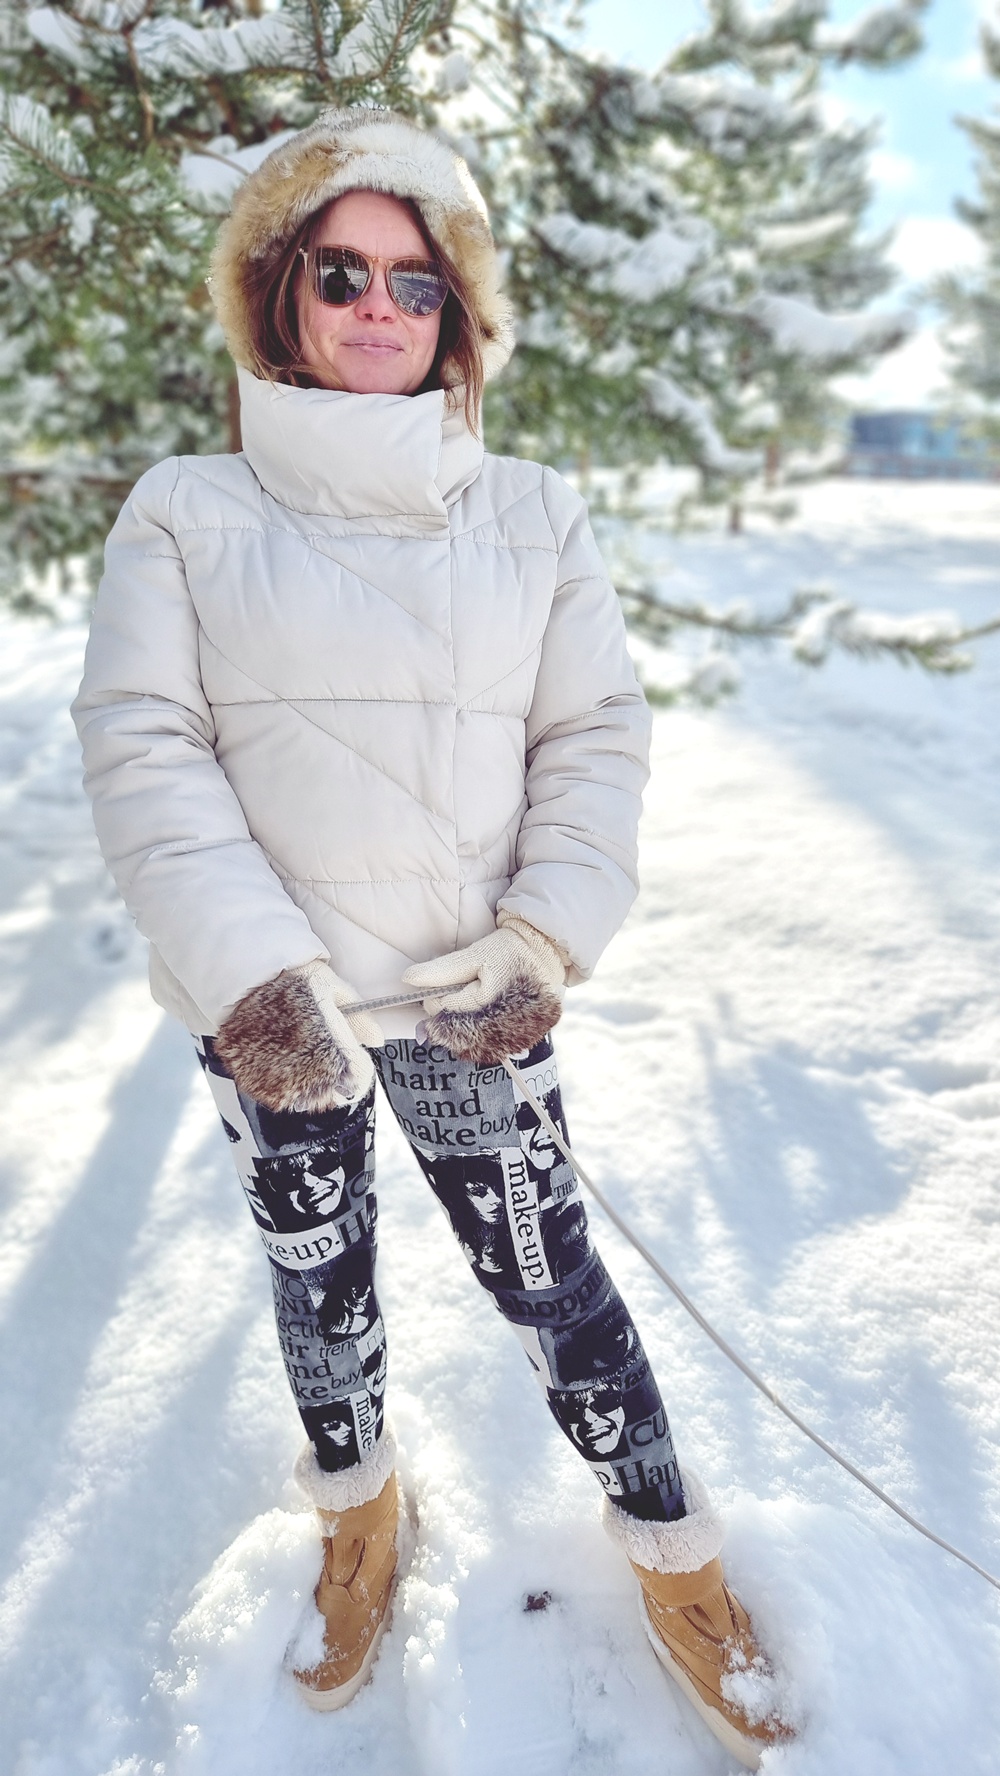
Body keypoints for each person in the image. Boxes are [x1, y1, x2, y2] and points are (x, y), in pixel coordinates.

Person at [72, 108, 788, 1767]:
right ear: (282, 294)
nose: (381, 307)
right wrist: (257, 977)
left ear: (461, 314)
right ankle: (357, 1522)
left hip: (472, 1006)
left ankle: (676, 1555)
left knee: (558, 1286)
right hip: (283, 1016)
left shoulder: (532, 512)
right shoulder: (184, 509)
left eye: (418, 280)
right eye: (343, 272)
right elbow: (144, 744)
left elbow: (595, 732)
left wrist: (545, 934)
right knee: (319, 1285)